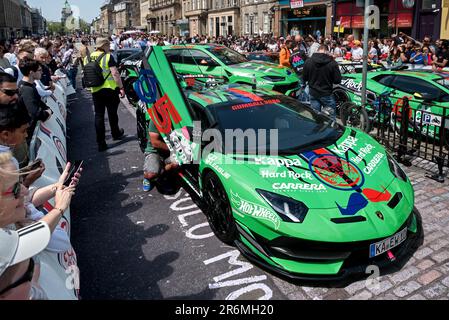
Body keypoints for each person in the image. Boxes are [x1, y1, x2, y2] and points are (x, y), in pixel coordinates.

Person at [83, 37, 125, 152]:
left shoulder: (88, 58)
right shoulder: (108, 57)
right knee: (112, 113)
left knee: (99, 115)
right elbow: (115, 73)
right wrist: (121, 87)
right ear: (105, 46)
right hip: (110, 89)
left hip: (96, 90)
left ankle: (101, 143)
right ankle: (115, 133)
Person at [302, 45, 342, 120]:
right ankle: (331, 131)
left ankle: (318, 130)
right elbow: (337, 80)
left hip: (313, 93)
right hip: (326, 93)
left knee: (316, 118)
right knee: (331, 119)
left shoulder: (308, 61)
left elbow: (304, 78)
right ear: (327, 52)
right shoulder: (332, 63)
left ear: (317, 50)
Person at [17, 57, 52, 141]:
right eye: (39, 70)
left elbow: (38, 102)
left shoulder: (30, 86)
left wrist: (48, 109)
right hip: (29, 134)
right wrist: (47, 113)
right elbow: (35, 112)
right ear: (31, 73)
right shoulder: (27, 90)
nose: (42, 72)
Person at [142, 120, 178, 192]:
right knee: (150, 174)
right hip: (155, 152)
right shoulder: (156, 118)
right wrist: (173, 150)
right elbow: (155, 143)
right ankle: (151, 176)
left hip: (172, 151)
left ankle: (163, 174)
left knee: (179, 162)